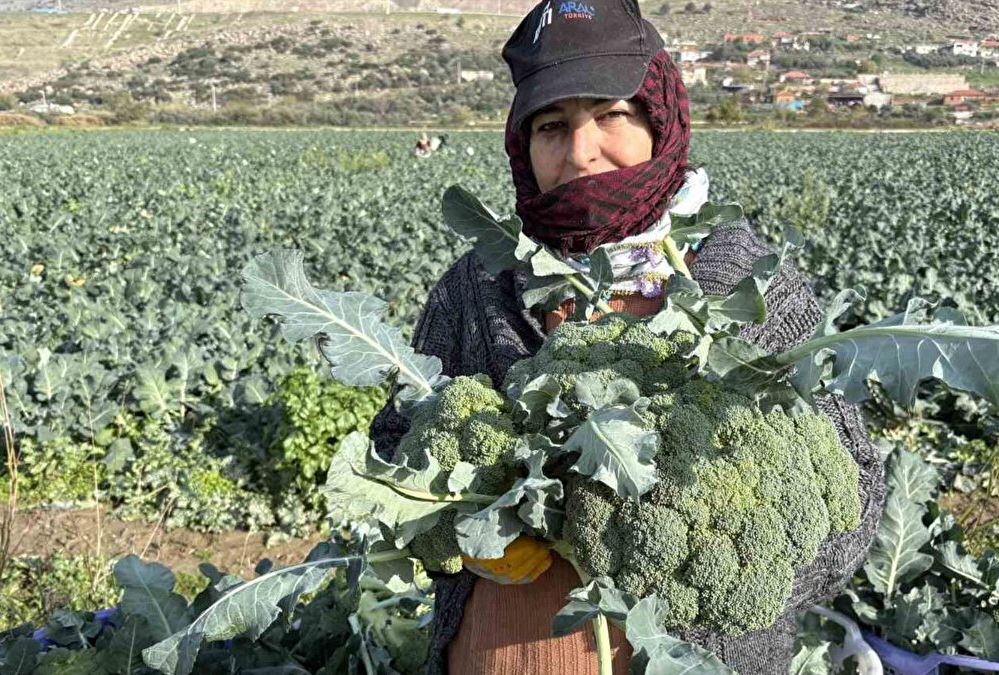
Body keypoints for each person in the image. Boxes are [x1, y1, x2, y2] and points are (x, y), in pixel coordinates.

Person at [369, 1, 885, 673]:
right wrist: (463, 526)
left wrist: (726, 556)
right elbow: (390, 452)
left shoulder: (755, 293)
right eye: (552, 125)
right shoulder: (478, 287)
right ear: (522, 146)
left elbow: (857, 490)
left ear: (659, 118)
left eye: (611, 115)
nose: (582, 151)